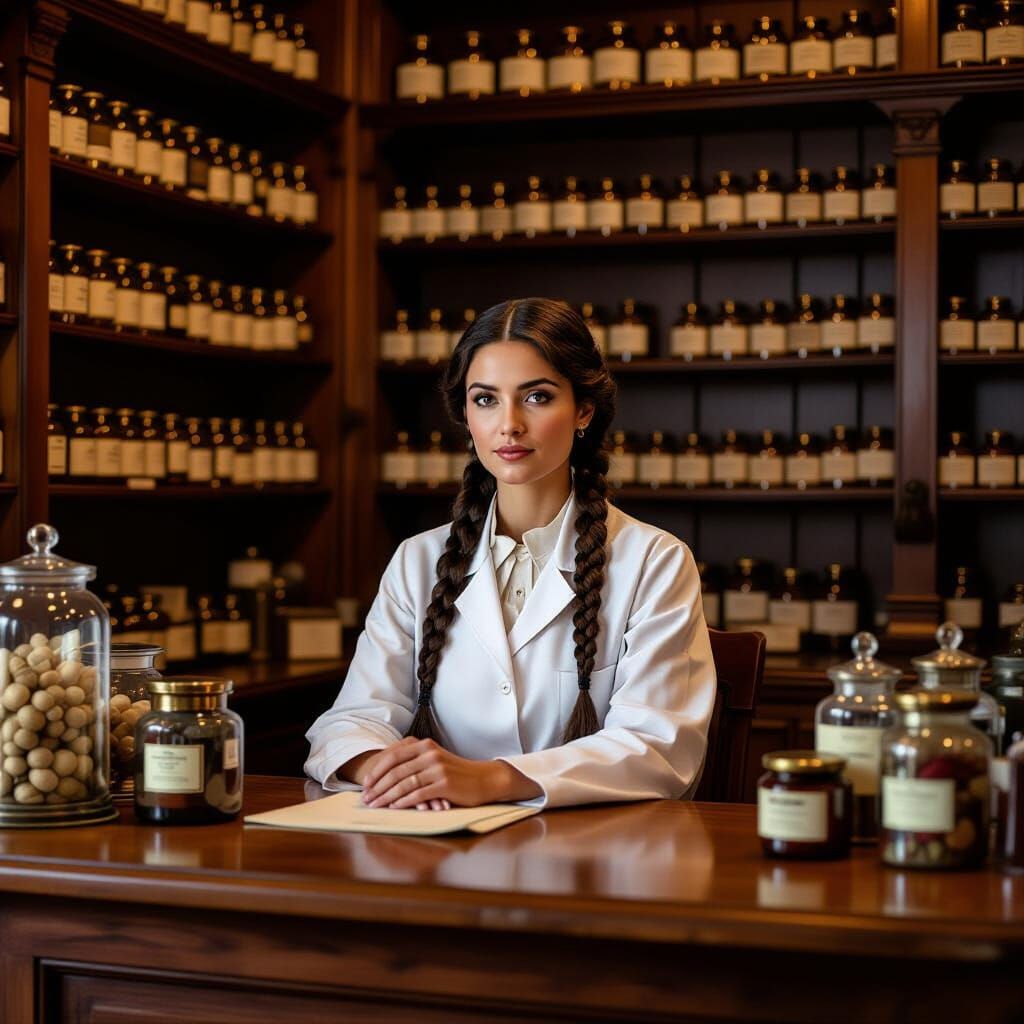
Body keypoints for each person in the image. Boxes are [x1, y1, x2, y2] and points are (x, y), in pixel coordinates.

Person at [305, 297, 716, 810]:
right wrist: (388, 771)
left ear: (583, 409)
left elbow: (658, 748)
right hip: (436, 849)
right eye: (486, 400)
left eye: (537, 397)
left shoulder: (654, 561)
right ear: (466, 415)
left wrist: (490, 780)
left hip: (589, 859)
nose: (509, 424)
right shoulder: (417, 561)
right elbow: (351, 721)